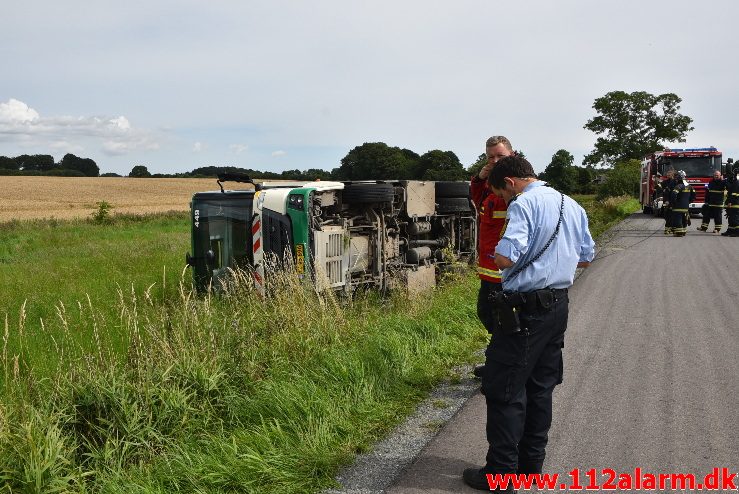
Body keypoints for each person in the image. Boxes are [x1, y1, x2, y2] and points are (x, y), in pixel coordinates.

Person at [462, 155, 595, 492]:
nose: (505, 202)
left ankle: (501, 476)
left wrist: (502, 258)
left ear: (509, 183)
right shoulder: (571, 204)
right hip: (558, 306)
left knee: (504, 389)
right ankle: (530, 467)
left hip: (525, 309)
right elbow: (586, 255)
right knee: (540, 386)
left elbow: (506, 255)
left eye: (503, 195)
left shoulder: (523, 205)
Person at [470, 136, 514, 377]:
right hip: (488, 268)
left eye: (500, 156)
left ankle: (500, 368)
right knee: (486, 313)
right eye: (491, 157)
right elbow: (476, 200)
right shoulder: (489, 184)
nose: (495, 161)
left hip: (504, 268)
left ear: (512, 154)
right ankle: (501, 360)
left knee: (503, 321)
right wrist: (479, 177)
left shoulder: (512, 185)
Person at [667, 170, 695, 237]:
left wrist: (673, 202)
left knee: (678, 219)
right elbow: (693, 195)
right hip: (686, 207)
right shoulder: (689, 186)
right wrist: (689, 202)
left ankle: (679, 233)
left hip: (677, 207)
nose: (675, 179)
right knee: (684, 219)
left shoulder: (678, 186)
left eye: (676, 178)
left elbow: (673, 195)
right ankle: (684, 231)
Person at [722, 165, 739, 237]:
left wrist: (730, 202)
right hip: (733, 202)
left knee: (735, 218)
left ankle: (737, 232)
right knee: (731, 218)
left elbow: (733, 193)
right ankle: (730, 230)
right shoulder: (735, 181)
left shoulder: (737, 182)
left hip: (735, 203)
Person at [660, 169, 677, 234]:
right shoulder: (665, 182)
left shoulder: (675, 182)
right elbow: (659, 187)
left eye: (669, 174)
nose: (667, 175)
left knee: (671, 215)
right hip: (666, 200)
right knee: (666, 214)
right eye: (667, 174)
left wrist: (670, 201)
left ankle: (670, 228)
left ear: (672, 175)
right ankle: (669, 228)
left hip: (672, 201)